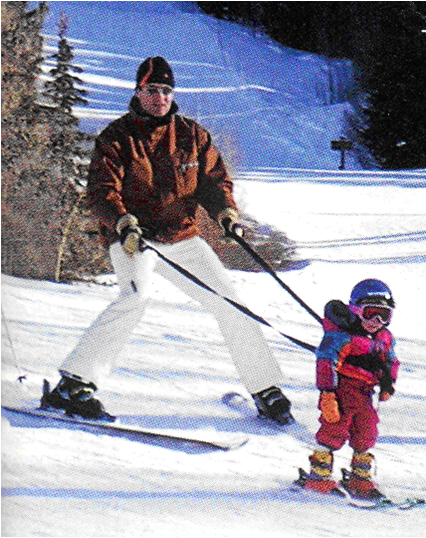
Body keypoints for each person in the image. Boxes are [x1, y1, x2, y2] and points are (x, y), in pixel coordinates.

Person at [43, 56, 294, 425]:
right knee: (135, 296)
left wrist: (225, 212)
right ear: (138, 92)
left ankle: (265, 387)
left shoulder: (192, 135)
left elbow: (214, 182)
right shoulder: (117, 137)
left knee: (232, 303)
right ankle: (75, 383)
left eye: (165, 90)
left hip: (181, 235)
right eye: (152, 89)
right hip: (134, 238)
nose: (159, 96)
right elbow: (101, 190)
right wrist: (123, 223)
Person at [297, 279, 400, 499]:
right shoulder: (342, 335)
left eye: (384, 314)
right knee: (334, 429)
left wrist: (387, 383)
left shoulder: (385, 338)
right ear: (355, 310)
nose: (376, 320)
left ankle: (359, 477)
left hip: (366, 394)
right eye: (370, 312)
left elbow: (391, 361)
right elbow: (326, 361)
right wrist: (327, 393)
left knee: (367, 432)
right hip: (341, 392)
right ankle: (319, 475)